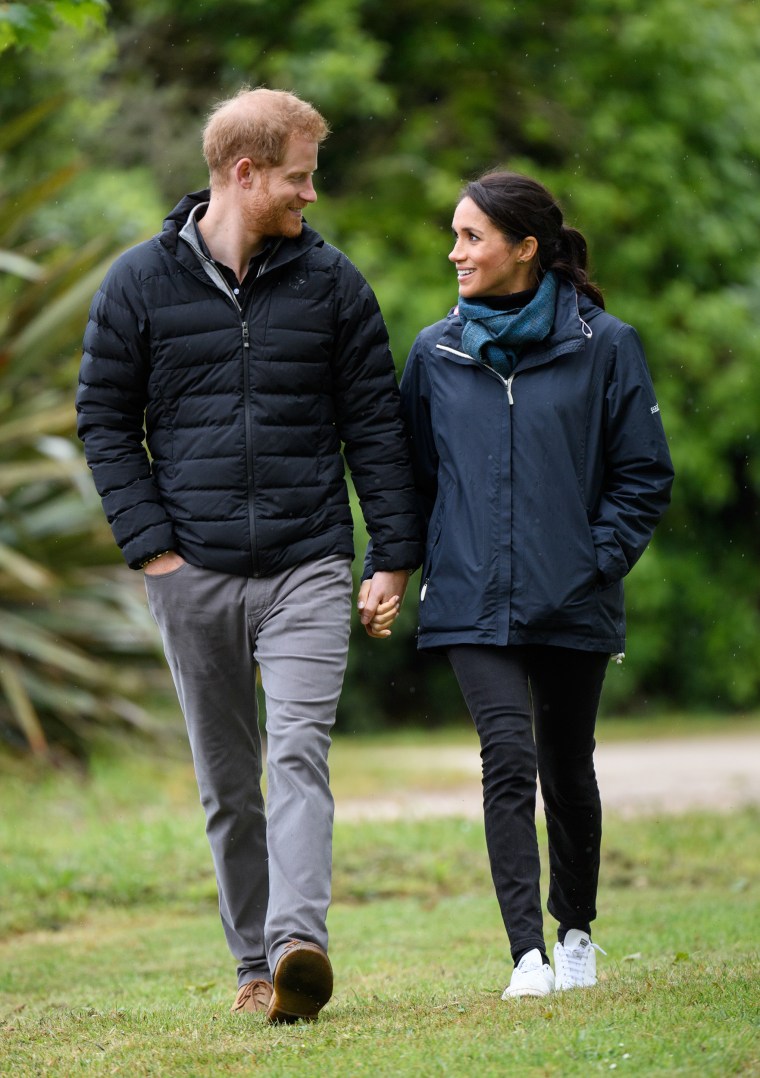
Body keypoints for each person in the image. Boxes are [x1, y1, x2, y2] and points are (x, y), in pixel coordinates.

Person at [76, 87, 422, 1023]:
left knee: (298, 755)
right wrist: (153, 553)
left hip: (308, 564)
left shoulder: (335, 285)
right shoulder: (137, 285)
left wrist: (391, 555)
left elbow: (375, 430)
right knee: (229, 786)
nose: (312, 196)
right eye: (300, 178)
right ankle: (253, 968)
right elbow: (104, 423)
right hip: (191, 573)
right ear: (245, 172)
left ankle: (298, 943)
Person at [361, 170, 674, 999]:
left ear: (524, 249)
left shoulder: (606, 345)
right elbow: (412, 481)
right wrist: (390, 566)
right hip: (468, 600)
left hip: (573, 597)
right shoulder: (436, 352)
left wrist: (593, 562)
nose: (454, 251)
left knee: (567, 768)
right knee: (507, 760)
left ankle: (576, 933)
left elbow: (643, 476)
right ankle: (526, 957)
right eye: (455, 235)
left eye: (472, 237)